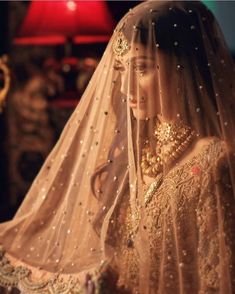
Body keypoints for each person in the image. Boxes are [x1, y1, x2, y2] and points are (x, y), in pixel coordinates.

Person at [0, 1, 235, 293]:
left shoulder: (214, 161)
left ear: (184, 65)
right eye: (122, 70)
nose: (126, 88)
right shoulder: (135, 152)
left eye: (141, 69)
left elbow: (218, 282)